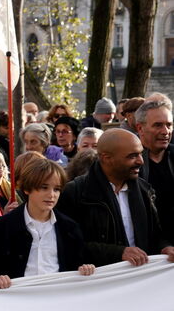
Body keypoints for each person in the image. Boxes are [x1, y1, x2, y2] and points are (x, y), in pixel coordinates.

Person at [57, 128, 174, 266]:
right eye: (132, 156)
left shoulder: (144, 190)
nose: (141, 161)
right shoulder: (76, 192)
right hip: (100, 282)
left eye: (141, 154)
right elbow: (68, 244)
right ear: (107, 158)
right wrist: (118, 253)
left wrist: (165, 247)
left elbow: (155, 234)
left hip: (141, 278)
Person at [0, 158, 95, 282]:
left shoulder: (70, 228)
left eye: (56, 189)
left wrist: (85, 268)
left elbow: (77, 264)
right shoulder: (4, 225)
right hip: (17, 297)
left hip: (57, 295)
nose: (51, 195)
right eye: (44, 187)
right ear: (27, 189)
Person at [136, 99, 174, 243]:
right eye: (158, 125)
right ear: (140, 128)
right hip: (146, 250)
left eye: (169, 125)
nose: (165, 131)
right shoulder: (126, 163)